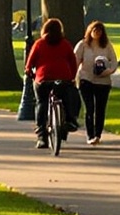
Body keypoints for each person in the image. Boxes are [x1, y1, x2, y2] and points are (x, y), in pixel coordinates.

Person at [24, 18, 80, 146]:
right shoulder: (65, 44)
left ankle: (41, 136)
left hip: (43, 78)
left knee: (41, 103)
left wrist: (30, 73)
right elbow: (73, 62)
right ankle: (69, 120)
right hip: (63, 77)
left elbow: (29, 63)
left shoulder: (39, 44)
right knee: (67, 98)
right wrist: (71, 77)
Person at [71, 20, 119, 144]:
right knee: (89, 108)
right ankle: (90, 135)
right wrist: (72, 77)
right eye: (94, 30)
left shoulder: (107, 45)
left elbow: (114, 61)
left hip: (103, 82)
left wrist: (108, 71)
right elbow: (75, 61)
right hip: (86, 79)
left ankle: (97, 135)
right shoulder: (83, 45)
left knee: (100, 109)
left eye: (99, 31)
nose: (97, 33)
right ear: (90, 31)